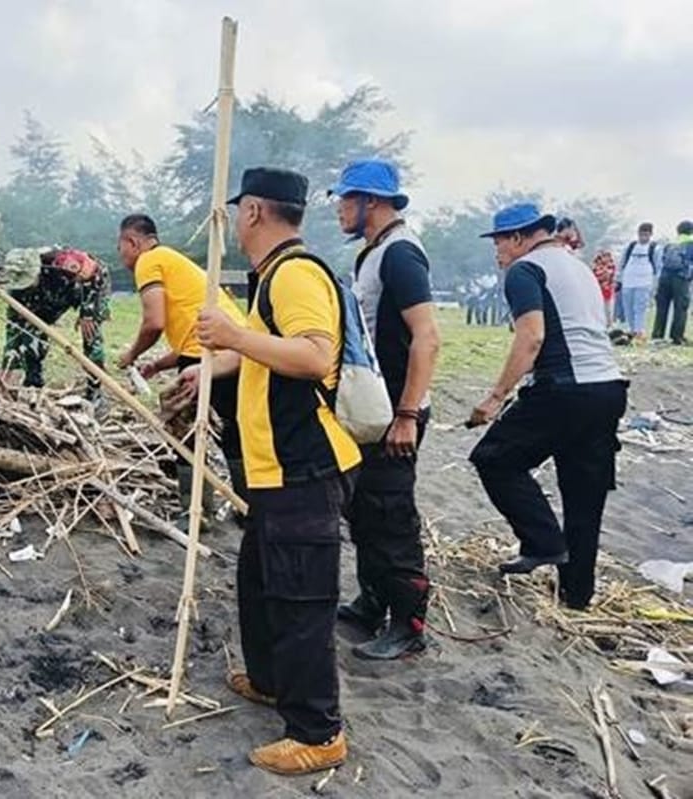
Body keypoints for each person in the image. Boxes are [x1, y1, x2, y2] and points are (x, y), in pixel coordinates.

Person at [194, 167, 360, 776]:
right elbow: (268, 354)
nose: (237, 222)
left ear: (256, 211)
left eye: (241, 210)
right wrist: (214, 365)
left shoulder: (295, 273)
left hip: (305, 468)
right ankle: (270, 680)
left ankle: (318, 733)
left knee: (300, 598)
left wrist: (234, 334)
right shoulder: (273, 276)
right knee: (261, 583)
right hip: (272, 473)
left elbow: (314, 355)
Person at [467, 203, 627, 611]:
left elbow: (531, 338)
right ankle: (576, 597)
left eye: (500, 241)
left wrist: (495, 396)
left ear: (520, 237)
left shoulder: (526, 270)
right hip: (607, 389)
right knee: (583, 496)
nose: (497, 251)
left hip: (564, 390)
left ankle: (542, 542)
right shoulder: (578, 267)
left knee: (494, 458)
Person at [328, 159, 441, 660]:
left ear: (369, 201)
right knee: (366, 511)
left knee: (392, 517)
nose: (338, 210)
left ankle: (408, 624)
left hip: (398, 413)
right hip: (376, 409)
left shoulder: (400, 255)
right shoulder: (370, 256)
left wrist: (407, 414)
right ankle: (372, 601)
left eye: (344, 201)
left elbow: (427, 336)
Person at [115, 214, 249, 506]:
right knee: (231, 430)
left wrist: (131, 354)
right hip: (234, 352)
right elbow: (190, 333)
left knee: (183, 430)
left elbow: (154, 322)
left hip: (204, 356)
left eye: (120, 247)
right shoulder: (173, 261)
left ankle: (197, 511)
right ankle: (246, 506)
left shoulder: (149, 261)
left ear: (132, 241)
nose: (121, 254)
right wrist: (158, 365)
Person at [0, 247, 110, 402]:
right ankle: (32, 384)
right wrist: (8, 370)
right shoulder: (17, 289)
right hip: (41, 307)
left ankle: (95, 390)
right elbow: (13, 333)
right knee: (27, 339)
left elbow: (96, 271)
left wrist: (89, 311)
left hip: (77, 291)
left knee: (91, 334)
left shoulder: (62, 261)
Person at [618, 222, 661, 341]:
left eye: (646, 235)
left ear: (651, 234)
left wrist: (656, 284)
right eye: (641, 234)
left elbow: (658, 268)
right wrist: (619, 279)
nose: (643, 237)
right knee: (628, 308)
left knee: (640, 308)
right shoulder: (630, 247)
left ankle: (639, 332)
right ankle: (631, 331)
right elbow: (622, 263)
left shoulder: (654, 248)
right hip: (628, 281)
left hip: (644, 282)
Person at [652, 220, 693, 344]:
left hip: (664, 277)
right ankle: (677, 336)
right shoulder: (691, 242)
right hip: (680, 278)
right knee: (680, 307)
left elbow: (661, 260)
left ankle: (657, 335)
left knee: (662, 307)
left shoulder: (670, 243)